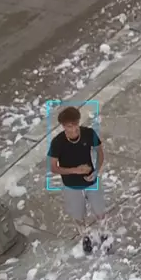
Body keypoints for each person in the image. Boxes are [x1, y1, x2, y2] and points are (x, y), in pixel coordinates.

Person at [47, 106, 106, 254]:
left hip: (91, 180)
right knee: (78, 215)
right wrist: (75, 170)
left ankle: (104, 233)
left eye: (75, 125)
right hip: (71, 185)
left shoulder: (88, 133)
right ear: (63, 126)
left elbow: (100, 151)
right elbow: (53, 167)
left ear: (79, 122)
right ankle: (85, 236)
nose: (73, 129)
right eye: (68, 127)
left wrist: (97, 170)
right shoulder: (57, 142)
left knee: (100, 211)